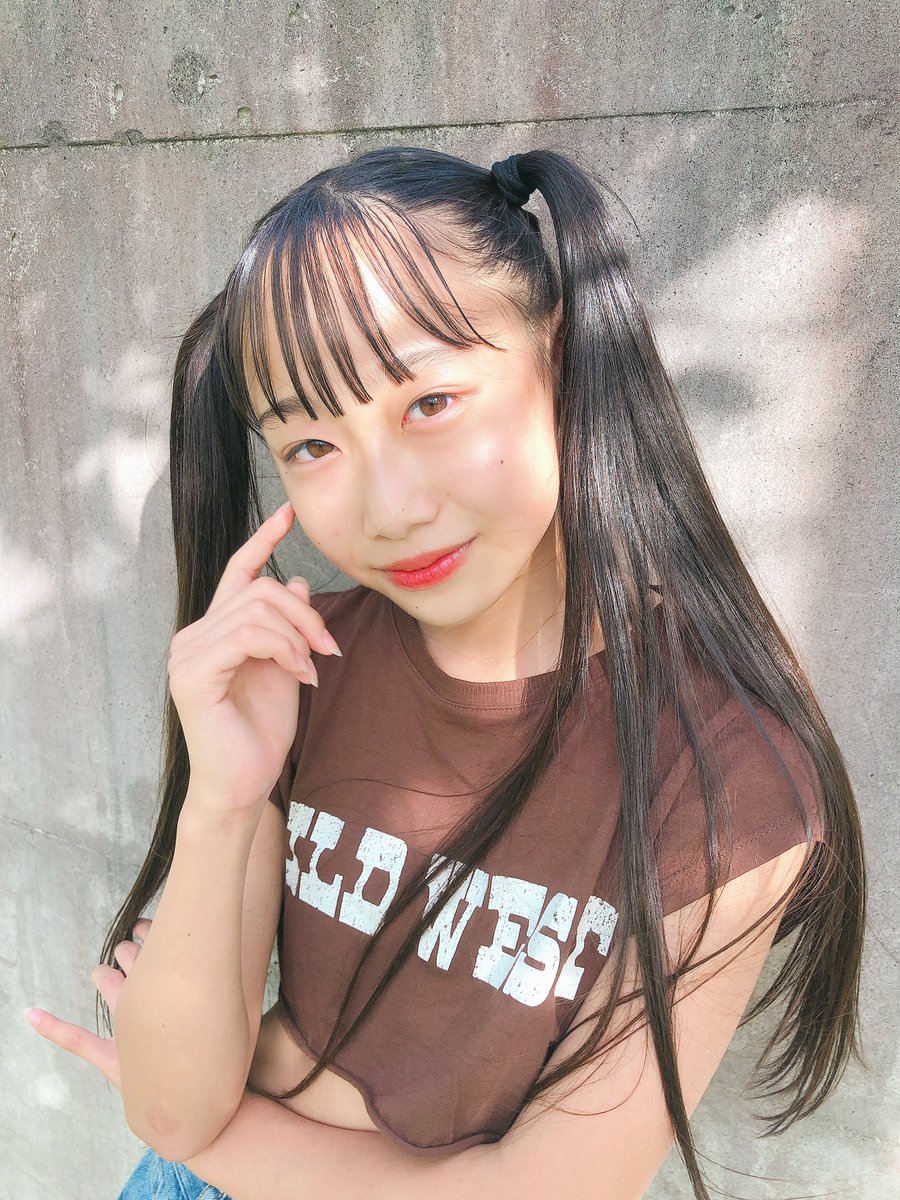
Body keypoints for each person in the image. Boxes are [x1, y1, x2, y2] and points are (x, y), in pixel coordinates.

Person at [25, 146, 866, 1200]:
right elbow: (173, 1107)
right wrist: (221, 804)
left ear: (563, 359)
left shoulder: (730, 777)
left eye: (429, 403)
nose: (389, 506)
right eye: (311, 445)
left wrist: (216, 1143)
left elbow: (545, 1192)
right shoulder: (300, 665)